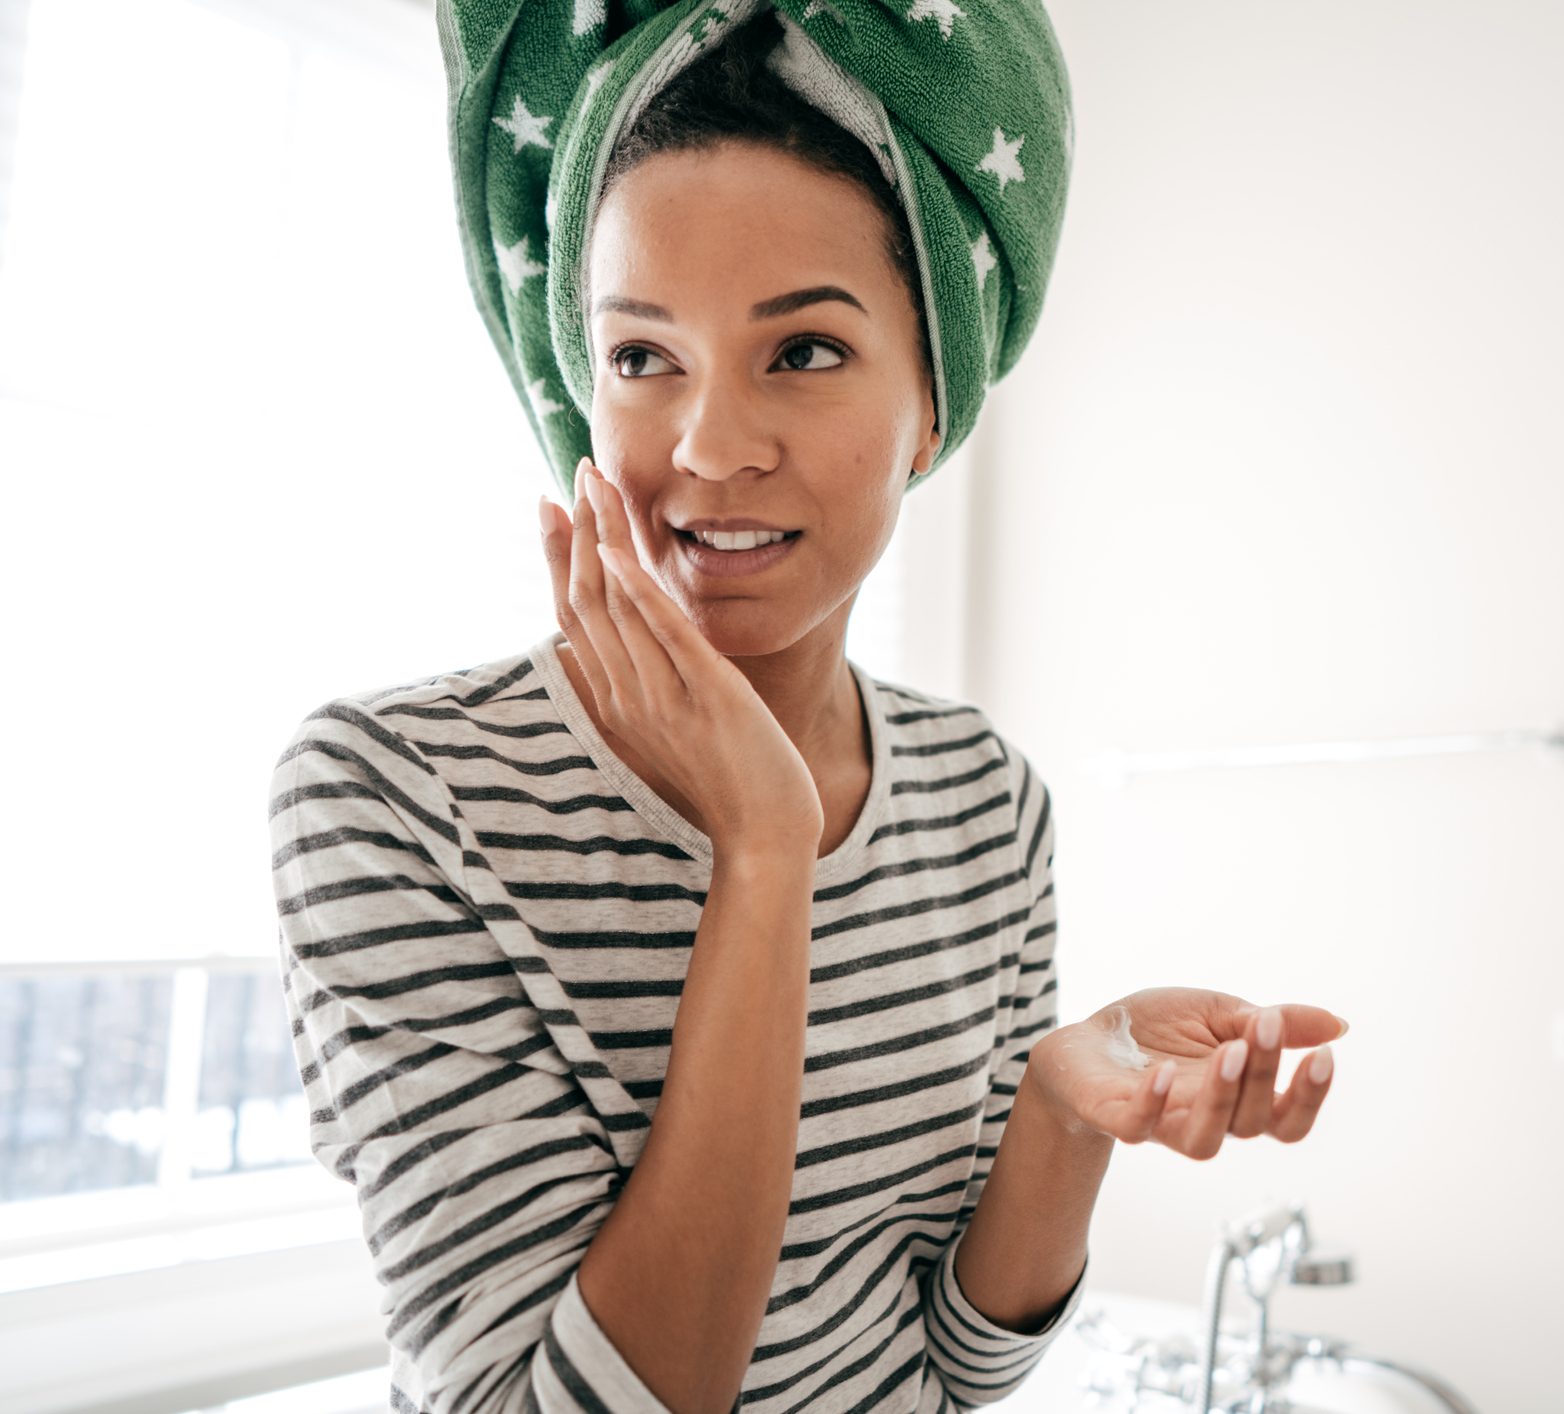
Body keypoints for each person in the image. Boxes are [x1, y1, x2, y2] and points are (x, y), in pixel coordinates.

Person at [269, 6, 1345, 1411]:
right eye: (642, 356)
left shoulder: (983, 793)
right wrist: (763, 851)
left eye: (806, 351)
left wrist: (1064, 1109)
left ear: (932, 404)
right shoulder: (393, 792)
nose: (709, 447)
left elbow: (961, 1368)